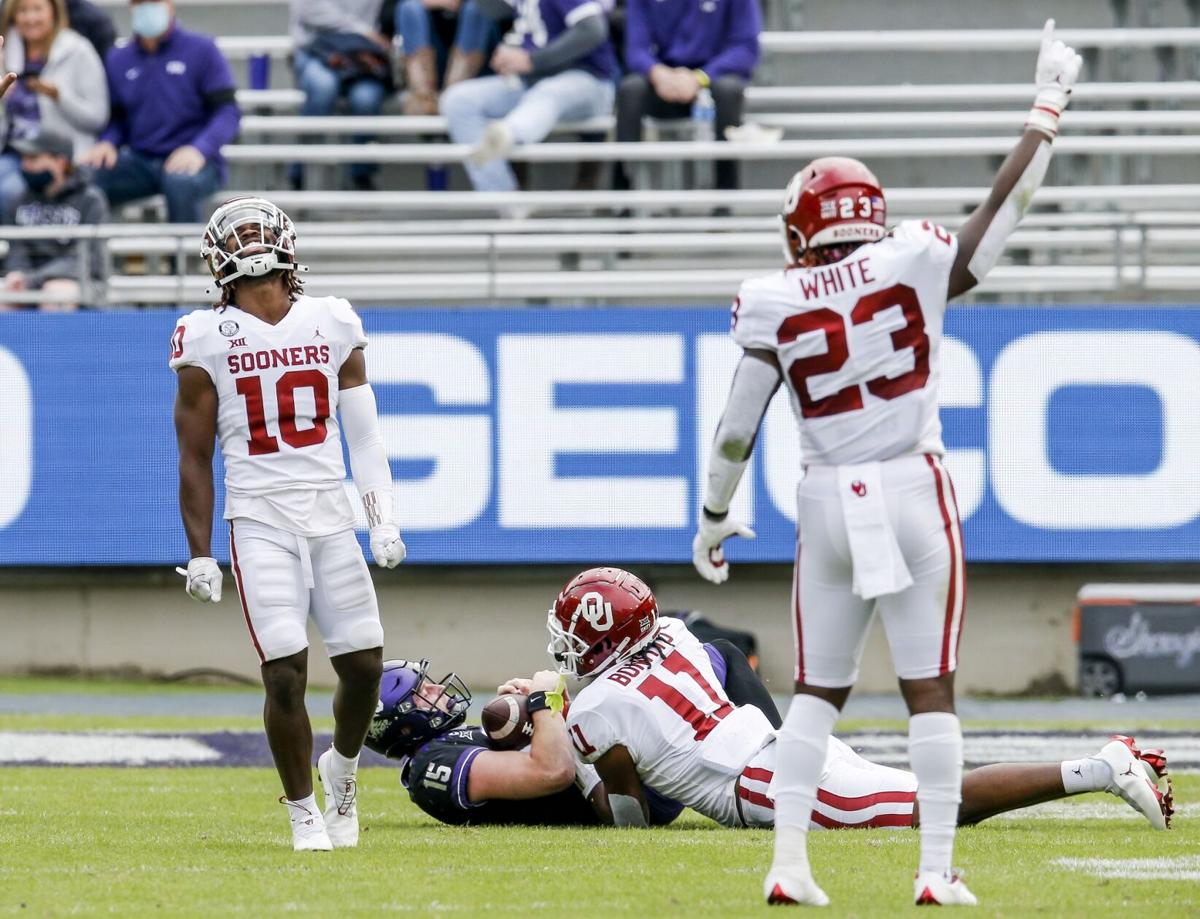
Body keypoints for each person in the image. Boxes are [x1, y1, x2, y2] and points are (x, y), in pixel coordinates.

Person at [689, 22, 1084, 906]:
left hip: (825, 499)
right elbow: (998, 223)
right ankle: (935, 872)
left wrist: (714, 516)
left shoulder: (772, 298)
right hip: (914, 483)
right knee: (930, 691)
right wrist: (1047, 108)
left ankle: (789, 864)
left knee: (815, 695)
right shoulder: (912, 256)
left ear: (801, 228)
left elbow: (734, 428)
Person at [551, 568, 1174, 835]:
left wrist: (577, 764)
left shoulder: (596, 709)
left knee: (943, 809)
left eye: (574, 630)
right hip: (785, 747)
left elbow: (630, 820)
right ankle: (1098, 768)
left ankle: (1101, 768)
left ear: (604, 638)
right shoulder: (674, 633)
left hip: (765, 784)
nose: (566, 642)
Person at [170, 196, 407, 851]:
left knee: (363, 665)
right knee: (284, 670)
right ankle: (303, 809)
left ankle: (344, 769)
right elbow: (194, 454)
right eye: (236, 235)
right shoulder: (205, 334)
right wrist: (200, 551)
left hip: (329, 516)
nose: (250, 243)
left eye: (258, 231)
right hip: (259, 519)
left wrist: (381, 518)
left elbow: (365, 437)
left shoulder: (332, 319)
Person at [81, 0, 239, 224]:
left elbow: (227, 112)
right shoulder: (118, 58)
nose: (147, 7)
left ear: (170, 4)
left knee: (180, 183)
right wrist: (108, 142)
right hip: (140, 160)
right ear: (130, 7)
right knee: (83, 178)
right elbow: (117, 118)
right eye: (140, 2)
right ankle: (91, 258)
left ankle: (187, 258)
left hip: (197, 159)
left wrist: (199, 149)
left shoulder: (203, 50)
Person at [439, 0, 618, 192]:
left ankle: (509, 134)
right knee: (458, 100)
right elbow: (492, 9)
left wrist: (532, 60)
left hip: (588, 81)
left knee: (549, 92)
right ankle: (504, 196)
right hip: (532, 81)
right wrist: (512, 56)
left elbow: (592, 30)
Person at [613, 0, 760, 193]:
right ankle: (622, 195)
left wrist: (699, 78)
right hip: (662, 80)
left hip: (711, 80)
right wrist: (658, 73)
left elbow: (746, 49)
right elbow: (636, 49)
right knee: (630, 90)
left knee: (728, 90)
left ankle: (725, 198)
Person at [0, 0, 108, 216]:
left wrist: (59, 96)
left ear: (54, 13)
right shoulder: (4, 53)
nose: (30, 18)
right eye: (23, 11)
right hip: (12, 154)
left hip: (62, 156)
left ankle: (23, 249)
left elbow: (97, 117)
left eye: (37, 9)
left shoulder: (78, 51)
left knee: (11, 193)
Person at [288, 0, 391, 191]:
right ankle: (301, 171)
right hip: (315, 50)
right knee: (324, 86)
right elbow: (311, 10)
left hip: (361, 56)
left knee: (366, 98)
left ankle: (361, 174)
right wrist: (361, 30)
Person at [1, 125, 107, 310]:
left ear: (61, 162)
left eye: (33, 158)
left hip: (79, 282)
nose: (25, 165)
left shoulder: (91, 200)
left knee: (55, 293)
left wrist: (34, 279)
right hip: (30, 281)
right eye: (23, 158)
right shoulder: (17, 198)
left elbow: (86, 259)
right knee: (6, 296)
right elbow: (15, 250)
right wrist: (18, 276)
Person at [394, 0, 498, 115]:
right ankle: (423, 98)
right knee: (409, 8)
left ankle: (453, 96)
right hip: (438, 52)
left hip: (480, 48)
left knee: (476, 7)